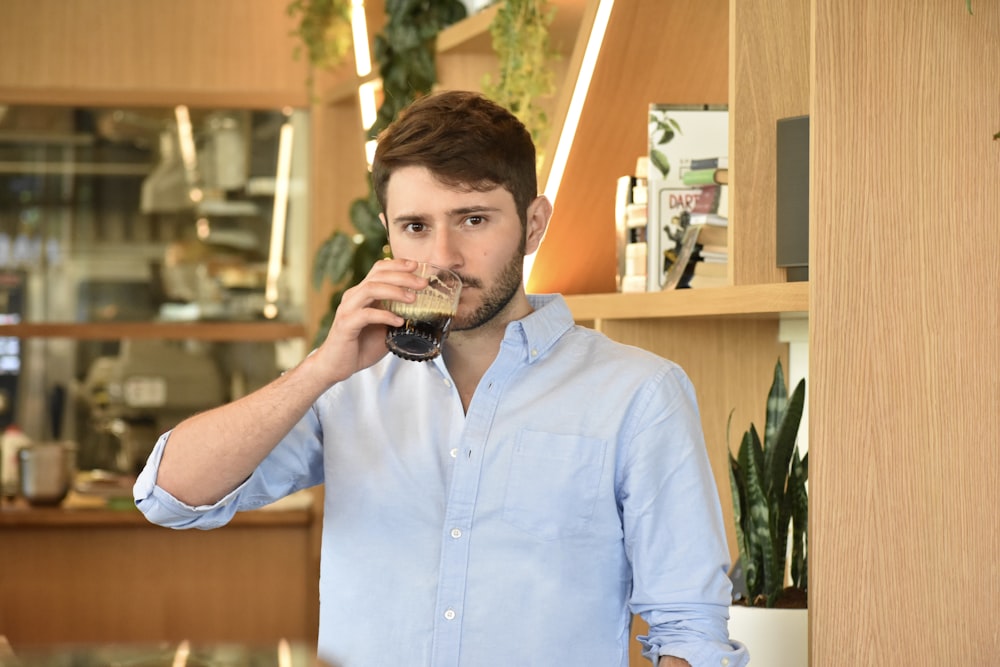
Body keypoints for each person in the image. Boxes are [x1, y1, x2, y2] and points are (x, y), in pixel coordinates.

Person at [134, 90, 748, 667]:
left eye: (474, 220)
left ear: (533, 225)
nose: (443, 258)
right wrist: (322, 367)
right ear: (389, 233)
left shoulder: (638, 393)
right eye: (416, 227)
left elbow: (690, 629)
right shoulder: (347, 385)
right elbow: (170, 495)